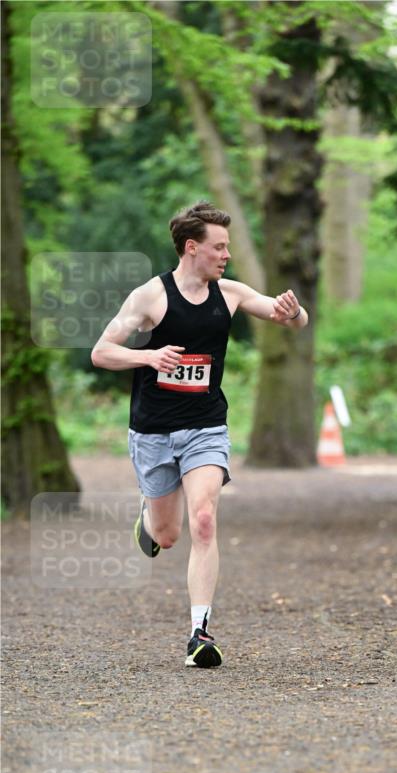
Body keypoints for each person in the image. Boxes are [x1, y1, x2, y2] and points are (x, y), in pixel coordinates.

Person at [91, 201, 308, 668]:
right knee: (168, 535)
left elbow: (287, 317)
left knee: (204, 519)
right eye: (219, 247)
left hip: (206, 426)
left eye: (227, 247)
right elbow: (102, 352)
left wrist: (294, 313)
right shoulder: (150, 297)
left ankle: (200, 634)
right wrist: (148, 357)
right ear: (192, 248)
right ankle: (150, 520)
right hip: (153, 431)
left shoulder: (229, 293)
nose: (227, 255)